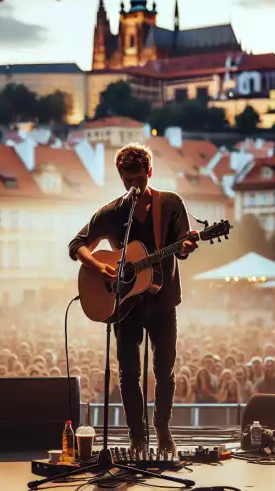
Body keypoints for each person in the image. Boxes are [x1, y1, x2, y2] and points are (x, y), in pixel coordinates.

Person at [68, 143, 198, 455]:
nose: (133, 186)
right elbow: (77, 243)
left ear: (150, 172)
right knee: (128, 373)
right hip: (123, 305)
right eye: (127, 181)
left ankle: (163, 429)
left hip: (163, 301)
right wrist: (99, 265)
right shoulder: (114, 212)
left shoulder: (170, 204)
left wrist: (184, 247)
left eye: (138, 179)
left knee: (165, 369)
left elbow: (183, 242)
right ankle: (136, 435)